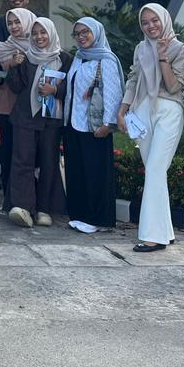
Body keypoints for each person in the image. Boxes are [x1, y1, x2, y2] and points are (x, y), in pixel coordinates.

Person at [118, 3, 184, 252]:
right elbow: (133, 79)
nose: (150, 26)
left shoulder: (179, 49)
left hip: (168, 111)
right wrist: (122, 110)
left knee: (155, 169)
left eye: (155, 20)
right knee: (154, 172)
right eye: (145, 22)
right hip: (142, 111)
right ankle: (165, 230)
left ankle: (153, 236)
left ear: (164, 20)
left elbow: (174, 86)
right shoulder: (140, 48)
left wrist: (162, 56)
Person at [0, 17, 71, 228]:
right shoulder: (25, 57)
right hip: (25, 117)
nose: (39, 37)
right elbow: (15, 87)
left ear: (51, 33)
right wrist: (14, 66)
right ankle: (22, 208)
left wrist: (55, 90)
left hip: (51, 119)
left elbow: (72, 85)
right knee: (22, 161)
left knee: (49, 162)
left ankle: (44, 209)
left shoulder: (65, 59)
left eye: (43, 32)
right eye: (35, 33)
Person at [63, 17, 124, 233]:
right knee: (78, 171)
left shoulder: (106, 59)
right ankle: (80, 215)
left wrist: (108, 123)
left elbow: (113, 92)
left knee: (96, 172)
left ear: (96, 33)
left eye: (85, 32)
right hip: (73, 124)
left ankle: (99, 219)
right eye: (77, 33)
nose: (81, 37)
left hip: (95, 125)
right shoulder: (79, 58)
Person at [0, 6, 36, 211]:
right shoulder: (1, 47)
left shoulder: (39, 44)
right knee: (9, 152)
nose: (14, 26)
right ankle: (9, 199)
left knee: (29, 153)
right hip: (8, 105)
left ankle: (31, 197)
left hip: (32, 106)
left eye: (17, 22)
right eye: (10, 23)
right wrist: (12, 62)